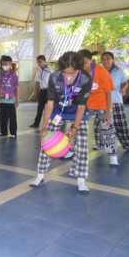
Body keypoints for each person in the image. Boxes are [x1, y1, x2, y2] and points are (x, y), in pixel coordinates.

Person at [29, 51, 92, 194]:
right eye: (65, 74)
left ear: (79, 69)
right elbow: (49, 104)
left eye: (72, 74)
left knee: (81, 145)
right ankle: (40, 175)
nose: (68, 78)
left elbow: (82, 106)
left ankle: (81, 180)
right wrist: (44, 127)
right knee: (46, 142)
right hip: (59, 112)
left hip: (78, 113)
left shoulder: (86, 79)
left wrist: (74, 128)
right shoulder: (54, 77)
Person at [80, 49, 118, 166]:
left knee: (107, 129)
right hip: (88, 105)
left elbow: (108, 92)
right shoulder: (79, 72)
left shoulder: (100, 70)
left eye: (85, 63)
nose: (83, 66)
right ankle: (72, 150)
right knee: (77, 126)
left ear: (90, 60)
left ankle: (113, 156)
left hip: (103, 104)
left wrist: (107, 112)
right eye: (80, 63)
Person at [101, 52, 129, 152]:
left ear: (113, 60)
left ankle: (128, 144)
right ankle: (100, 144)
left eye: (108, 59)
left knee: (121, 124)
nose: (105, 61)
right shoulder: (98, 71)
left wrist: (123, 88)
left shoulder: (119, 71)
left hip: (116, 100)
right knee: (101, 125)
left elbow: (125, 82)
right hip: (101, 102)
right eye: (103, 59)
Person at [0, 55, 19, 138]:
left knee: (12, 118)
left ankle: (13, 133)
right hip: (2, 100)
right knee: (2, 118)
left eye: (6, 64)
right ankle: (3, 132)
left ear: (10, 64)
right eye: (3, 64)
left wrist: (16, 100)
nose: (4, 66)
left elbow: (16, 88)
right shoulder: (1, 75)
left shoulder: (14, 75)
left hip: (11, 100)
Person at [29, 55, 53, 128]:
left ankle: (51, 123)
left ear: (44, 61)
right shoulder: (38, 72)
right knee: (40, 108)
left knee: (50, 108)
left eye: (40, 62)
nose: (39, 64)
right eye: (38, 62)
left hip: (49, 91)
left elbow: (53, 82)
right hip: (42, 91)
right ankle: (36, 123)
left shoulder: (50, 71)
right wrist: (36, 91)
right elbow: (37, 83)